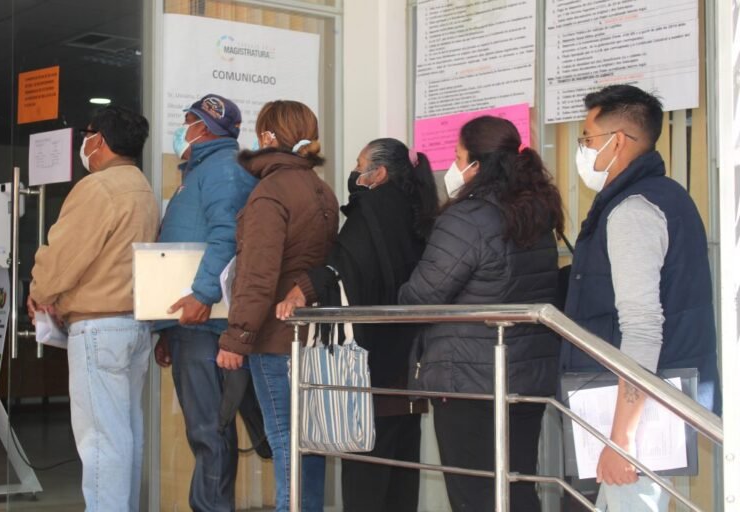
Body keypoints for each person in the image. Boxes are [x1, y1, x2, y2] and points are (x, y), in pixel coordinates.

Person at [560, 84, 720, 511]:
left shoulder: (632, 211)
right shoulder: (667, 196)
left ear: (618, 142)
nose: (583, 151)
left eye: (588, 140)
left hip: (637, 422)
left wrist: (621, 439)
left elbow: (643, 328)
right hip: (649, 408)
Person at [398, 116, 564, 512]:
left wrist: (402, 292)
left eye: (458, 157)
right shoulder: (536, 212)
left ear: (477, 163)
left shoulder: (467, 218)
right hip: (526, 377)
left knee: (475, 494)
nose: (453, 168)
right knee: (516, 487)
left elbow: (421, 295)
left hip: (469, 380)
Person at [276, 138, 439, 512]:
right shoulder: (420, 209)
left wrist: (303, 289)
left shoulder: (372, 210)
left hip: (372, 370)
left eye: (359, 163)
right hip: (409, 368)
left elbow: (345, 267)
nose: (355, 171)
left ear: (378, 173)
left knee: (367, 479)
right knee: (402, 475)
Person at [27, 106, 158, 512]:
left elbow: (64, 254)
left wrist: (39, 289)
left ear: (98, 139)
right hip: (134, 326)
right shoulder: (141, 187)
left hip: (99, 328)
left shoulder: (98, 188)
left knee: (101, 439)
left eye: (86, 135)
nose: (83, 144)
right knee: (126, 435)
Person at [215, 100, 339, 512]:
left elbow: (257, 273)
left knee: (286, 442)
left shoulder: (270, 192)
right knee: (310, 444)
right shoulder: (322, 190)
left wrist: (237, 338)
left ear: (268, 138)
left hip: (274, 339)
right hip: (311, 336)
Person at [152, 94, 258, 512]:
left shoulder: (223, 171)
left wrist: (201, 294)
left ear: (203, 128)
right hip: (189, 324)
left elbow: (226, 237)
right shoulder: (202, 170)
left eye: (186, 122)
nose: (182, 129)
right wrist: (166, 329)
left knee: (208, 429)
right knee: (207, 427)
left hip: (206, 321)